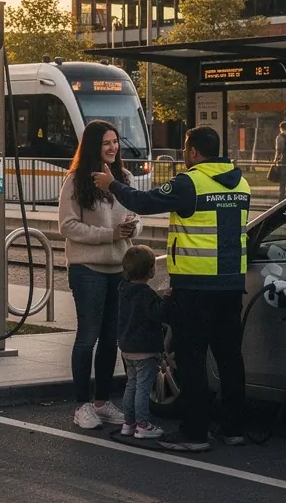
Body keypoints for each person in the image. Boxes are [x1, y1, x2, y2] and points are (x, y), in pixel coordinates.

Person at [92, 125, 249, 452]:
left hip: (195, 287)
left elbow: (144, 201)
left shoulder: (189, 183)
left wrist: (113, 184)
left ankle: (194, 433)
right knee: (230, 358)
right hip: (232, 285)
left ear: (192, 152)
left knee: (192, 359)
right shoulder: (241, 182)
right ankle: (233, 428)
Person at [58, 119, 141, 431]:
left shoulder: (124, 177)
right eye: (106, 142)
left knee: (111, 339)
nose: (113, 147)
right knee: (88, 336)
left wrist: (134, 226)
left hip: (119, 267)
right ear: (93, 145)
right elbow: (67, 226)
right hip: (88, 268)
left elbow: (136, 213)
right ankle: (82, 405)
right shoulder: (75, 181)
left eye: (115, 141)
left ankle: (102, 402)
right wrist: (110, 233)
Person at [117, 245, 170, 440]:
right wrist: (168, 300)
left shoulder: (123, 289)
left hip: (127, 347)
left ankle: (128, 423)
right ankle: (142, 425)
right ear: (151, 271)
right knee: (143, 387)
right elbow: (158, 315)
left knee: (131, 385)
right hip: (145, 349)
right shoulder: (146, 293)